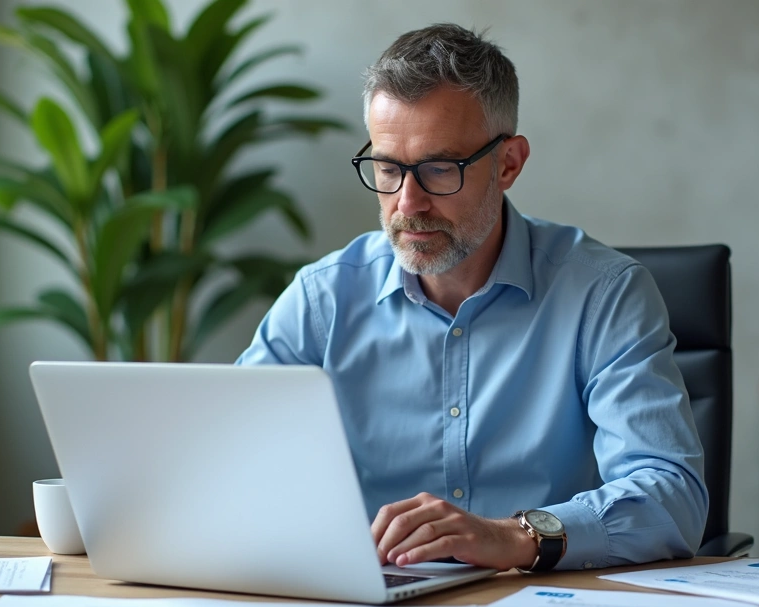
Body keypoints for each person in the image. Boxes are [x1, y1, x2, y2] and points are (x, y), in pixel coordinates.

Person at [236, 23, 707, 572]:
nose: (408, 202)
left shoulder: (604, 295)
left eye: (439, 169)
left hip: (545, 606)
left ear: (508, 163)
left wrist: (514, 536)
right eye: (388, 168)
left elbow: (672, 498)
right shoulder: (322, 300)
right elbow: (229, 462)